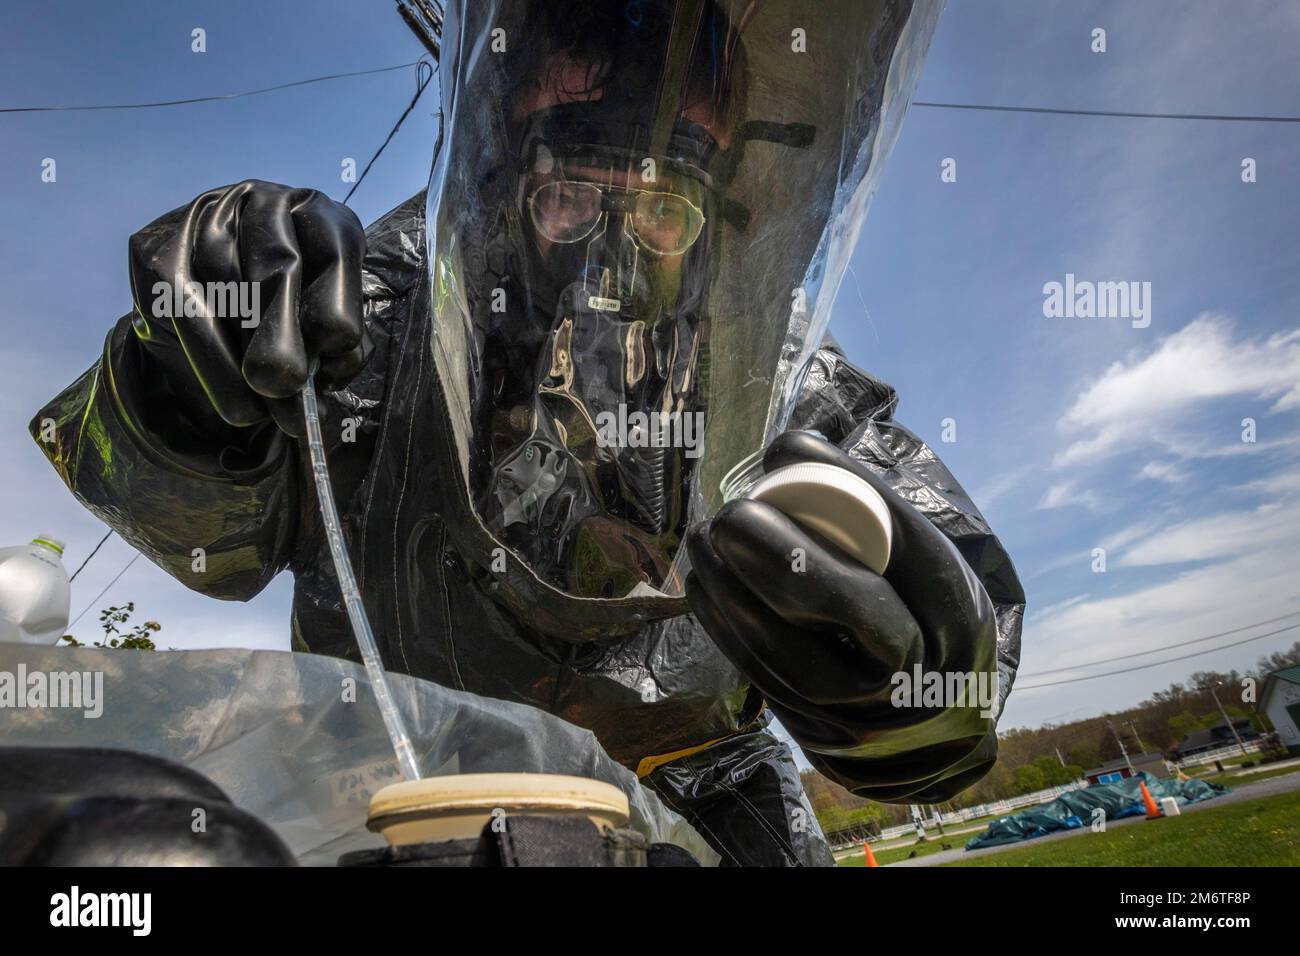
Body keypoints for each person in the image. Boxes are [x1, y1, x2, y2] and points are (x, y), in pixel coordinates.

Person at [30, 0, 1023, 866]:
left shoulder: (764, 358)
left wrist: (924, 684)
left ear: (714, 204)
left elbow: (938, 560)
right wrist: (181, 388)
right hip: (410, 794)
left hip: (709, 808)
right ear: (500, 171)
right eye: (567, 195)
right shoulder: (374, 303)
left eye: (663, 211)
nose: (611, 252)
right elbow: (208, 543)